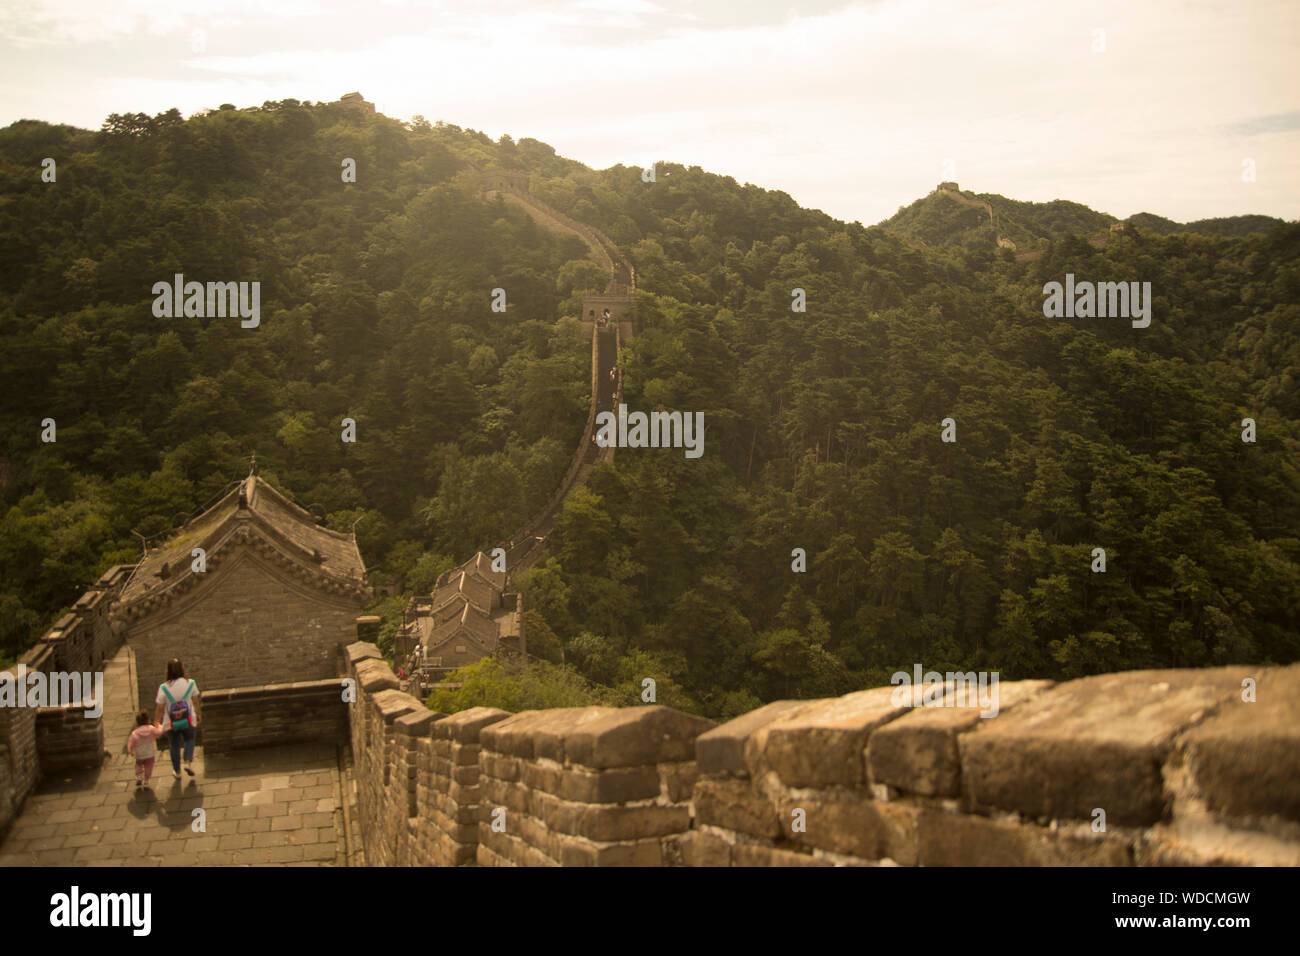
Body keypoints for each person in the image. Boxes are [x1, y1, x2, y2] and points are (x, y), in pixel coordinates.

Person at [155, 658, 200, 779]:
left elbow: (160, 707)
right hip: (188, 719)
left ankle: (177, 771)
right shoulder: (190, 683)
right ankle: (188, 763)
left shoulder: (163, 687)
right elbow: (195, 702)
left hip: (170, 722)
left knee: (174, 745)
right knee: (189, 740)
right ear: (182, 669)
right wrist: (198, 714)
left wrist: (156, 721)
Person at [127, 711, 165, 790]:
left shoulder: (135, 733)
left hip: (139, 754)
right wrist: (160, 726)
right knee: (149, 766)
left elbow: (130, 742)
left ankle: (139, 776)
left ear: (137, 722)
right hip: (150, 753)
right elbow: (159, 732)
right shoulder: (151, 729)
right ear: (148, 720)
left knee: (138, 764)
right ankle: (147, 780)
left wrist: (131, 750)